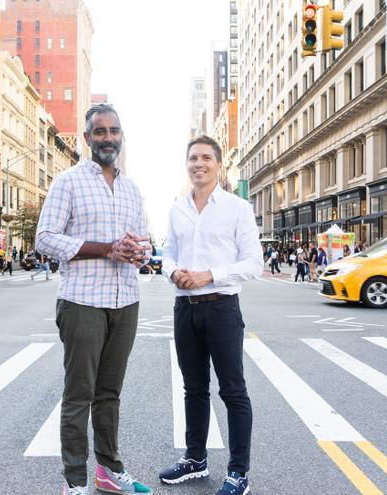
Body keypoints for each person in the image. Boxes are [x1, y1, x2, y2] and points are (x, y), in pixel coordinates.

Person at [35, 103, 152, 495]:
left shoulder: (133, 188)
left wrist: (141, 251)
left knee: (110, 394)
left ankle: (108, 469)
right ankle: (74, 480)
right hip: (82, 301)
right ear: (87, 139)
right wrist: (107, 249)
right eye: (99, 131)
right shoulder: (68, 182)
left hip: (126, 301)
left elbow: (143, 242)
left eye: (114, 131)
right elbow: (45, 238)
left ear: (121, 137)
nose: (108, 138)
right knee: (79, 395)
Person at [160, 135, 259, 495]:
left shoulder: (237, 208)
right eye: (192, 158)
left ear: (218, 165)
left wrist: (208, 275)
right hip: (185, 309)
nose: (198, 164)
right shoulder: (177, 209)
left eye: (205, 158)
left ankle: (238, 472)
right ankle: (195, 459)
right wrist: (173, 272)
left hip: (221, 308)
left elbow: (254, 263)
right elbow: (167, 253)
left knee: (233, 390)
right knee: (194, 388)